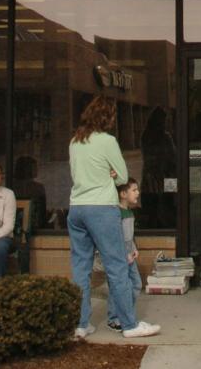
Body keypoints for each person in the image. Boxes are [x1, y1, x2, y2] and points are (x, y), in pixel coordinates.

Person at [68, 96, 160, 340]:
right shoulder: (107, 141)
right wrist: (109, 173)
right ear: (107, 118)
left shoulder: (75, 141)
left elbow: (77, 174)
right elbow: (122, 177)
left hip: (76, 208)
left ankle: (81, 324)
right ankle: (129, 324)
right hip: (102, 208)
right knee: (118, 266)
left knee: (80, 269)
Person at [107, 178, 142, 332]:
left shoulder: (129, 212)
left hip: (129, 254)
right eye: (134, 190)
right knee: (119, 286)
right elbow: (115, 237)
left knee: (136, 284)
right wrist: (123, 254)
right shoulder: (115, 213)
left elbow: (129, 236)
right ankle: (114, 318)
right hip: (119, 255)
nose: (138, 193)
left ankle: (126, 314)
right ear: (123, 194)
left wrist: (134, 248)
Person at [139, 107, 177, 229]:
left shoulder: (146, 135)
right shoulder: (166, 137)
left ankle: (152, 226)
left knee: (151, 206)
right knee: (169, 204)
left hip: (150, 178)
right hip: (167, 176)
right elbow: (173, 157)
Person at [14, 155, 48, 232]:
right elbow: (42, 211)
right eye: (34, 167)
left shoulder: (10, 185)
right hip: (33, 223)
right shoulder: (38, 188)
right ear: (28, 169)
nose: (37, 169)